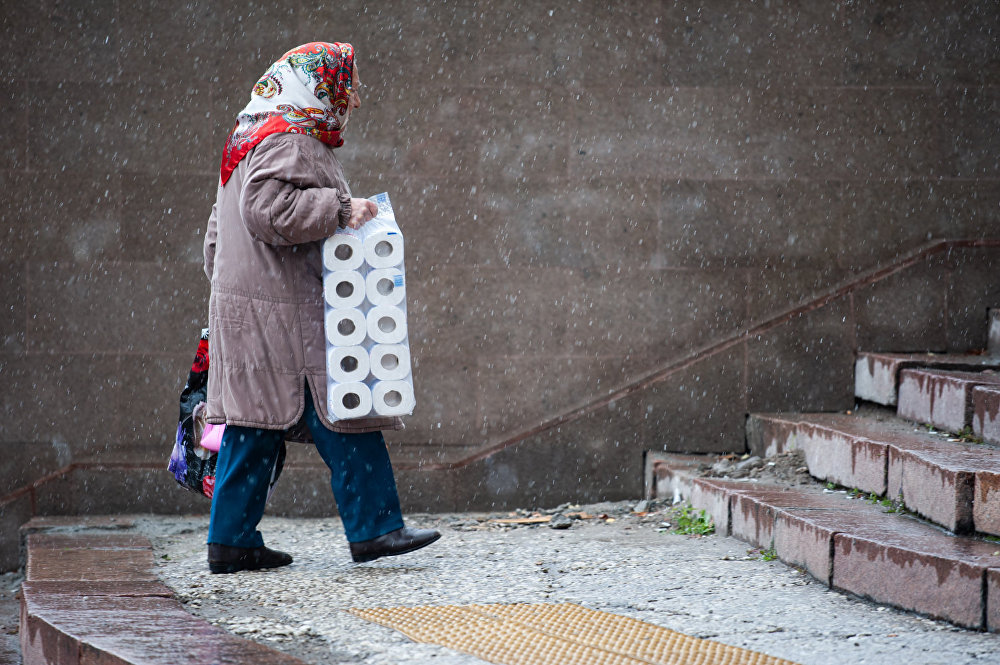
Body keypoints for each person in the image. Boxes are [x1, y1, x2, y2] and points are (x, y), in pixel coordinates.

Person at [202, 41, 439, 574]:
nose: (351, 102)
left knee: (253, 425)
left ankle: (231, 542)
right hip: (289, 317)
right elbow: (266, 210)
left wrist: (238, 295)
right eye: (344, 89)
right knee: (348, 416)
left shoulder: (247, 140)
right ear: (317, 88)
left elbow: (216, 241)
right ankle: (377, 529)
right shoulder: (292, 141)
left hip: (250, 314)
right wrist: (341, 209)